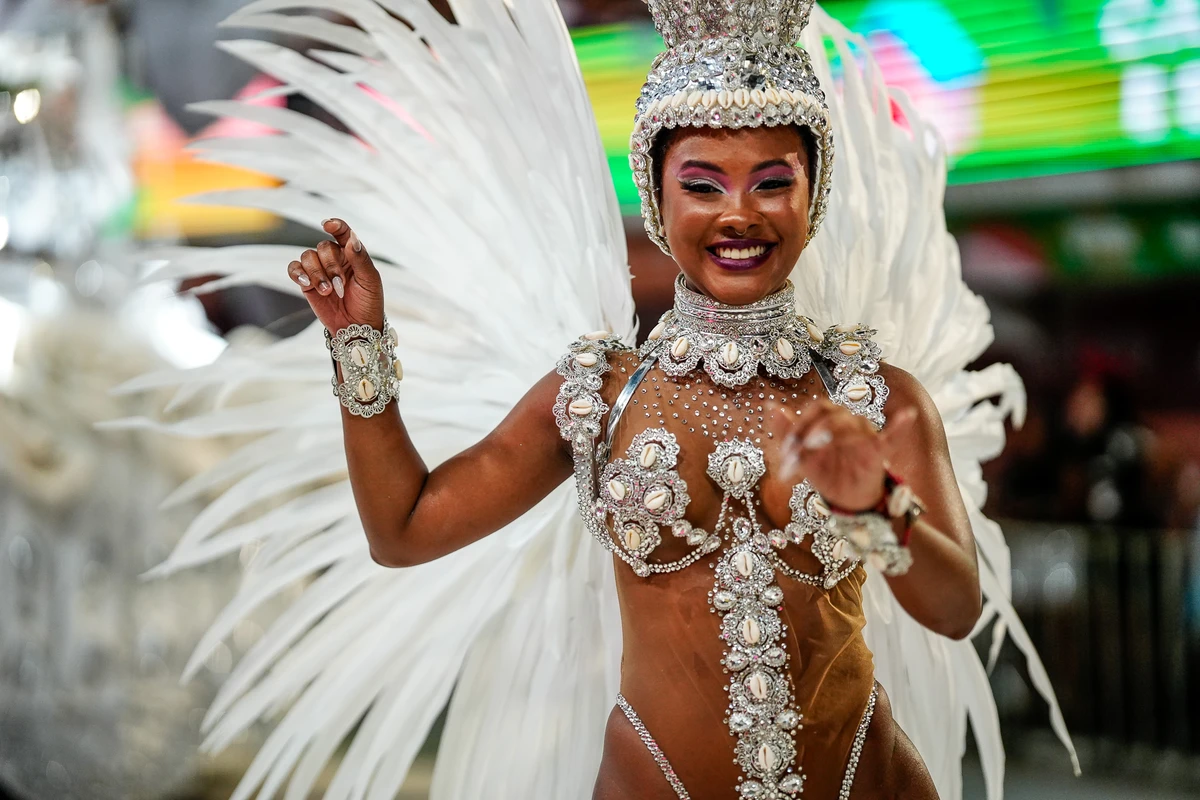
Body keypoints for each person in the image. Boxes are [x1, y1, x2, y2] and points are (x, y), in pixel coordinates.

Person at [136, 1, 1077, 798]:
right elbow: (406, 529)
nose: (739, 214)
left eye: (773, 184)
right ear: (657, 202)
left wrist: (875, 504)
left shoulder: (876, 397)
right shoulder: (596, 397)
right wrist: (359, 352)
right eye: (702, 184)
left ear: (813, 197)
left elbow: (955, 610)